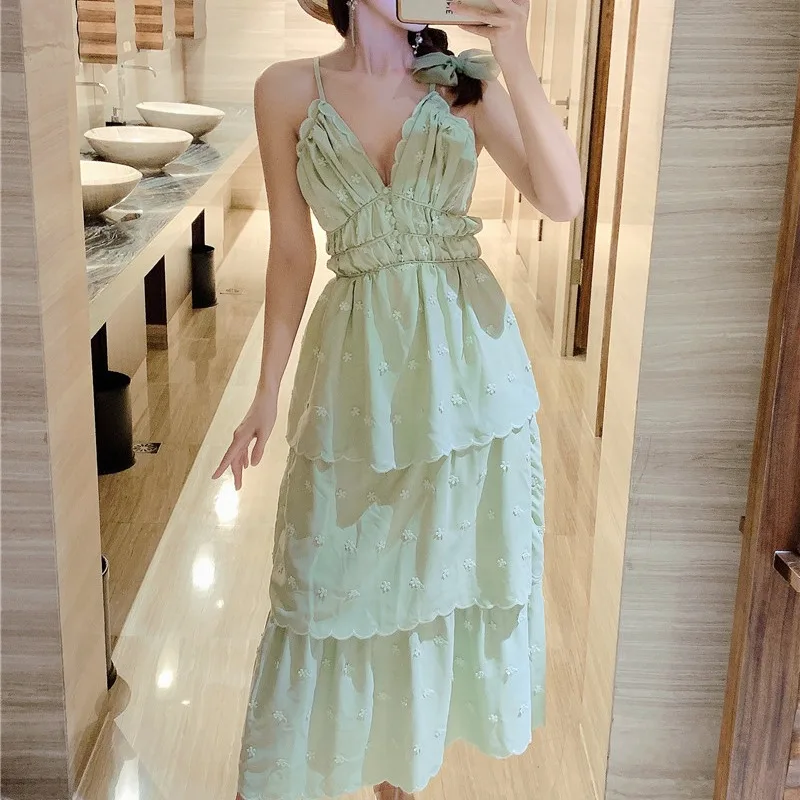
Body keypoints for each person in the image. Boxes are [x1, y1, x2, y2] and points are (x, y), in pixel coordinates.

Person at [213, 0, 582, 797]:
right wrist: (265, 391)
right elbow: (290, 252)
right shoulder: (285, 90)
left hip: (469, 388)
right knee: (325, 583)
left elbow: (562, 199)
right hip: (356, 380)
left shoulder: (463, 84)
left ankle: (400, 784)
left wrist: (514, 54)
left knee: (432, 590)